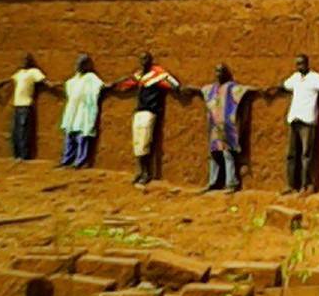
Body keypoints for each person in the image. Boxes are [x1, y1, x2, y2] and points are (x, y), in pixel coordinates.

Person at [272, 54, 319, 195]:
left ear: (307, 63)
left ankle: (305, 186)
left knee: (306, 155)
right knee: (291, 154)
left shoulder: (315, 78)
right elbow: (282, 86)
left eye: (301, 63)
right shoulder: (295, 78)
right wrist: (268, 90)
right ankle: (290, 185)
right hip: (294, 120)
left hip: (307, 121)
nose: (299, 66)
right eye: (297, 64)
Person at [183, 63, 261, 193]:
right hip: (214, 126)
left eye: (221, 71)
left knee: (227, 153)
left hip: (227, 127)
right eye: (217, 71)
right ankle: (214, 182)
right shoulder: (211, 88)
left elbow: (245, 90)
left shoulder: (231, 87)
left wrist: (262, 90)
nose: (218, 74)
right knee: (214, 154)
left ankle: (231, 182)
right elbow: (200, 90)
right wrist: (190, 89)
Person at [115, 52, 180, 185]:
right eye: (141, 58)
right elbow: (125, 84)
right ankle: (140, 171)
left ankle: (147, 173)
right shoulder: (139, 75)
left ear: (150, 60)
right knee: (137, 143)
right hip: (139, 111)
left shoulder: (158, 74)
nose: (143, 61)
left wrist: (179, 90)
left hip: (150, 111)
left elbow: (173, 84)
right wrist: (110, 86)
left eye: (145, 58)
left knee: (144, 142)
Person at [0, 53, 55, 161]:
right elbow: (10, 79)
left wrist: (53, 85)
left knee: (24, 131)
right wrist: (1, 83)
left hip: (26, 105)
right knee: (15, 131)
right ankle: (16, 154)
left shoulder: (34, 72)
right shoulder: (20, 73)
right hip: (17, 105)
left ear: (30, 61)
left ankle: (24, 155)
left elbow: (44, 81)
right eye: (23, 60)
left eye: (26, 60)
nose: (23, 62)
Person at [59, 54, 106, 169]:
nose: (78, 66)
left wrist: (115, 84)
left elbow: (100, 86)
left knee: (82, 136)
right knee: (70, 135)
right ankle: (67, 160)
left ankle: (80, 161)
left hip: (84, 111)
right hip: (73, 111)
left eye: (81, 63)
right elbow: (67, 86)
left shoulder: (91, 77)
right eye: (77, 63)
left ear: (87, 65)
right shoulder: (75, 78)